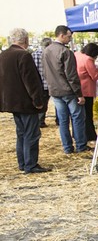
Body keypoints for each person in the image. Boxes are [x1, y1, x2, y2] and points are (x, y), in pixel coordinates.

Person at [0, 28, 49, 173]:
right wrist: (37, 100)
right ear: (26, 40)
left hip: (11, 101)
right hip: (25, 102)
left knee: (21, 133)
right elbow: (31, 81)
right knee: (31, 133)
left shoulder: (4, 55)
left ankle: (23, 163)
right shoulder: (23, 55)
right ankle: (30, 164)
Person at [42, 25, 87, 154]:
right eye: (69, 36)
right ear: (62, 35)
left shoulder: (46, 51)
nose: (70, 39)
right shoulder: (66, 52)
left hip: (55, 90)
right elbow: (71, 75)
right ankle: (80, 145)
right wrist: (79, 94)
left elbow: (45, 72)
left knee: (63, 120)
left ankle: (67, 147)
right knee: (77, 117)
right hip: (68, 90)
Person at [75, 43, 98, 142]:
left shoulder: (77, 55)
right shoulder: (88, 60)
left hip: (78, 89)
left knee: (79, 115)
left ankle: (79, 135)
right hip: (87, 90)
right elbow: (95, 76)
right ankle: (90, 135)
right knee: (88, 114)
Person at [32, 37, 52, 127]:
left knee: (40, 102)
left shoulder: (34, 54)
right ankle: (40, 121)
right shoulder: (48, 54)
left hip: (37, 83)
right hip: (46, 83)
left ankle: (39, 120)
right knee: (44, 103)